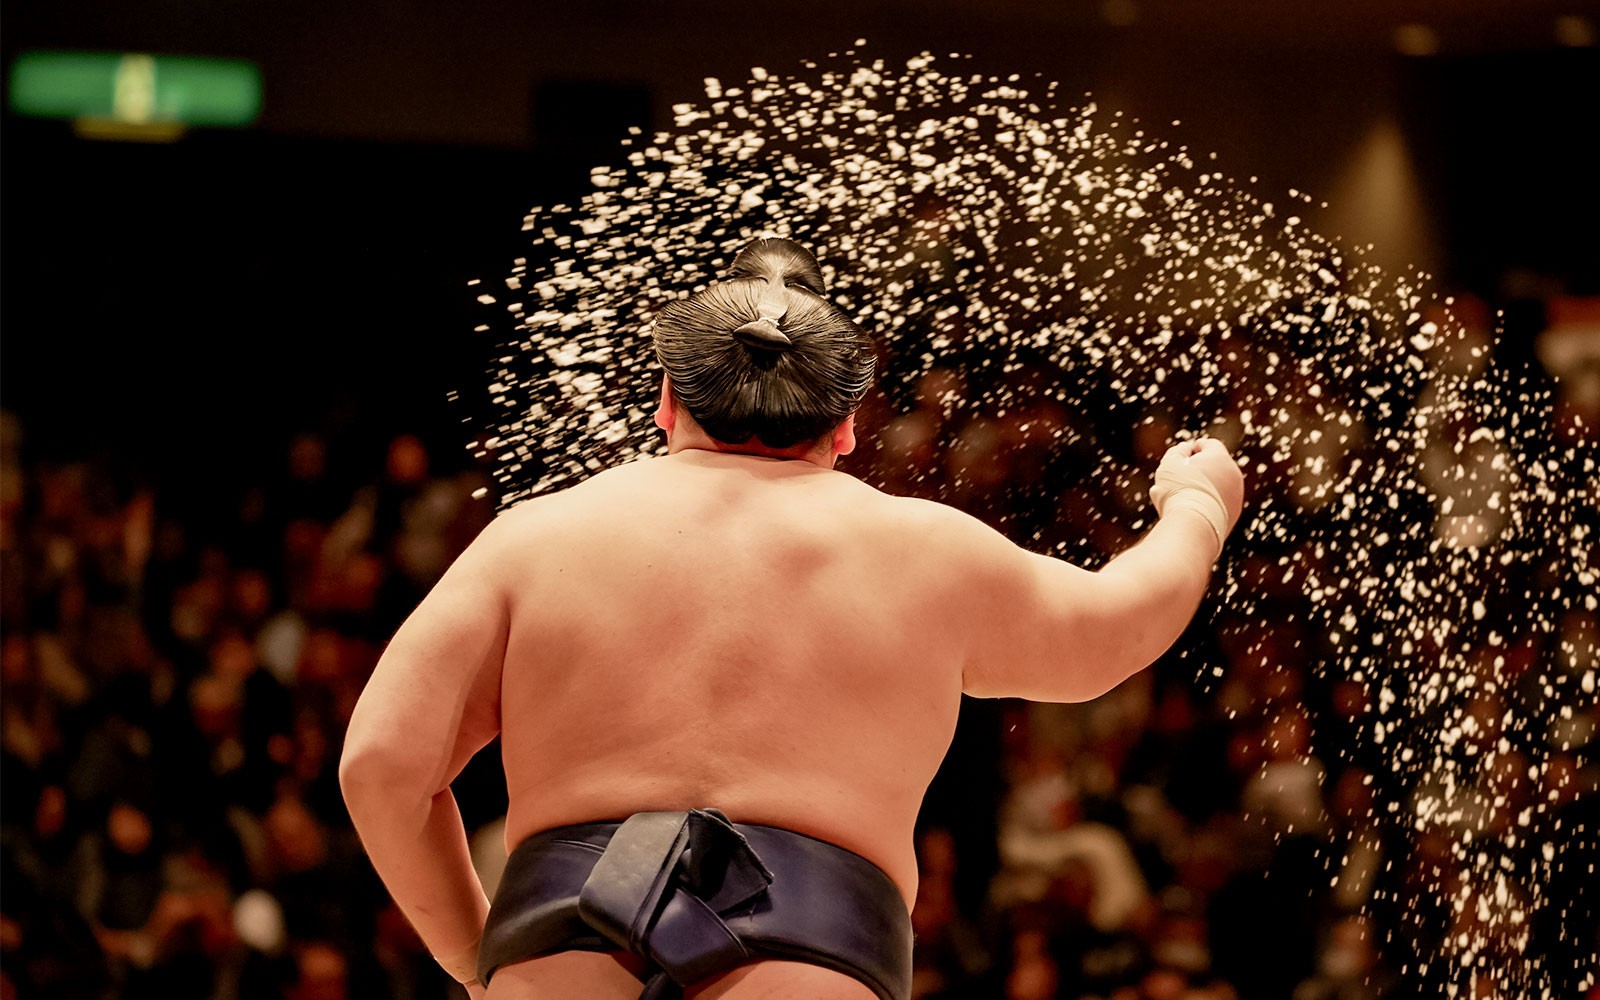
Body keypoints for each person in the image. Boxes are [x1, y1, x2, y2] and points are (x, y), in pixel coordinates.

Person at [338, 238, 1245, 1000]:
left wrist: (474, 952)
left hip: (556, 962)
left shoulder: (535, 537)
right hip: (812, 964)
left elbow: (381, 764)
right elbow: (1114, 630)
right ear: (845, 426)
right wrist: (1197, 505)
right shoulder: (925, 550)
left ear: (666, 401)